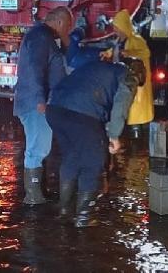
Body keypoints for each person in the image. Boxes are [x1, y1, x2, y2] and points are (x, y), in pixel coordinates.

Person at [45, 57, 146, 227]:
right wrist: (114, 136)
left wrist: (105, 132)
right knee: (93, 161)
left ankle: (64, 209)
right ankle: (84, 217)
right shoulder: (128, 76)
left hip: (55, 109)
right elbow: (120, 105)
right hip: (81, 114)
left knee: (72, 157)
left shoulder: (100, 66)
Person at [13, 6, 74, 205]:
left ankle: (40, 191)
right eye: (67, 26)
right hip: (35, 103)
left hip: (38, 101)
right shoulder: (40, 37)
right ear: (58, 22)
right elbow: (35, 68)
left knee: (40, 146)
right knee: (37, 148)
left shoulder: (44, 36)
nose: (69, 30)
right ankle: (32, 196)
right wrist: (40, 99)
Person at [111, 9, 154, 125]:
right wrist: (107, 54)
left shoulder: (136, 40)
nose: (115, 30)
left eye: (117, 27)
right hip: (123, 78)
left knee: (134, 107)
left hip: (135, 80)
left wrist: (130, 53)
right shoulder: (119, 41)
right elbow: (114, 51)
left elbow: (145, 53)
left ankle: (136, 130)